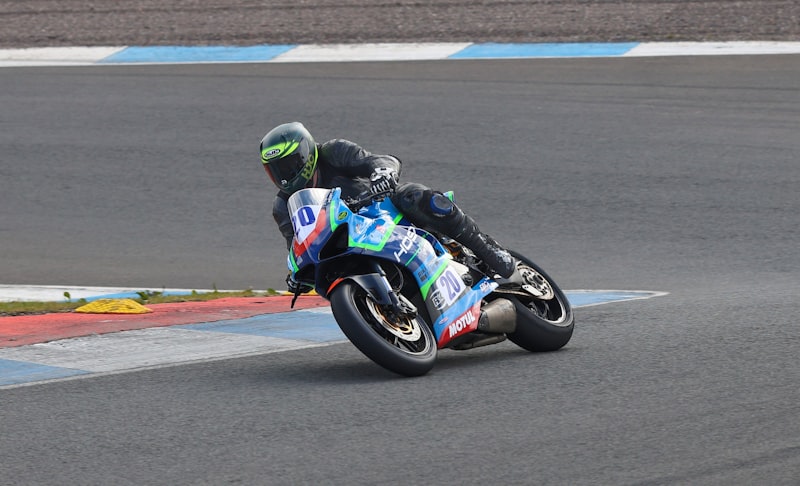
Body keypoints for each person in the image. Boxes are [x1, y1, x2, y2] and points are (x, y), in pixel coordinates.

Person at [260, 122, 517, 292]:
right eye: (275, 170)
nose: (283, 176)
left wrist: (383, 173)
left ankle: (487, 249)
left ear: (305, 154)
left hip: (380, 212)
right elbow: (298, 244)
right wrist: (297, 274)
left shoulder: (332, 152)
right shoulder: (283, 206)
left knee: (413, 195)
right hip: (344, 242)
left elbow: (379, 160)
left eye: (288, 165)